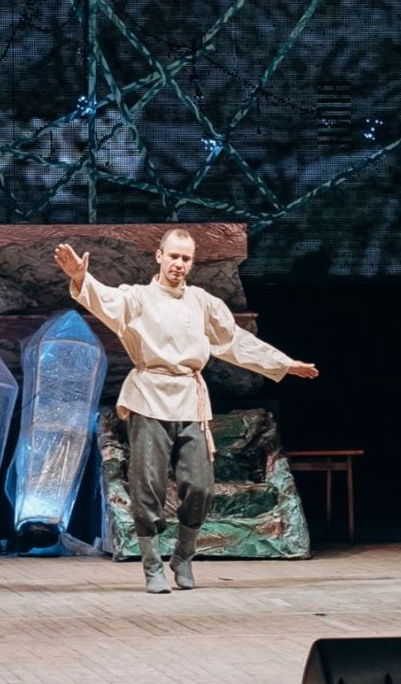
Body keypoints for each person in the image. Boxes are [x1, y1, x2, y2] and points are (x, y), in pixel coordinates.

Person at [54, 228, 318, 593]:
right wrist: (81, 278)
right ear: (159, 256)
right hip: (149, 396)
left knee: (200, 486)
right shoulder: (138, 298)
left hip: (190, 399)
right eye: (174, 256)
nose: (179, 264)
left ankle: (182, 556)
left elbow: (235, 340)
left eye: (186, 258)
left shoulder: (202, 302)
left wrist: (283, 364)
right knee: (148, 484)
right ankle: (152, 566)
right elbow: (105, 300)